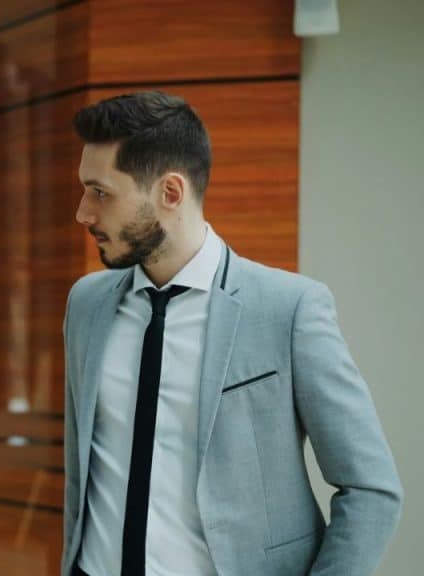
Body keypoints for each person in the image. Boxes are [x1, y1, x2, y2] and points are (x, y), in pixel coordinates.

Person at [61, 91, 402, 576]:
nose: (83, 213)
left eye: (101, 192)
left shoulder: (289, 310)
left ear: (171, 193)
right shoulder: (86, 304)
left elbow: (371, 489)